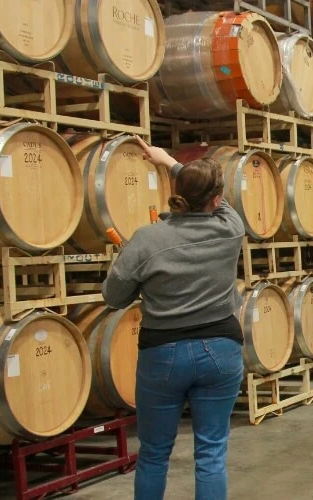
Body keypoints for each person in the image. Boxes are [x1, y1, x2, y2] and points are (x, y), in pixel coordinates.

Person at [102, 138, 245, 500]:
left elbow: (113, 297)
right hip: (221, 349)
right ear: (216, 199)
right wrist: (171, 163)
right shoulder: (231, 229)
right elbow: (219, 200)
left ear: (177, 193)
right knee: (211, 453)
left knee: (153, 454)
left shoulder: (147, 239)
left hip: (163, 353)